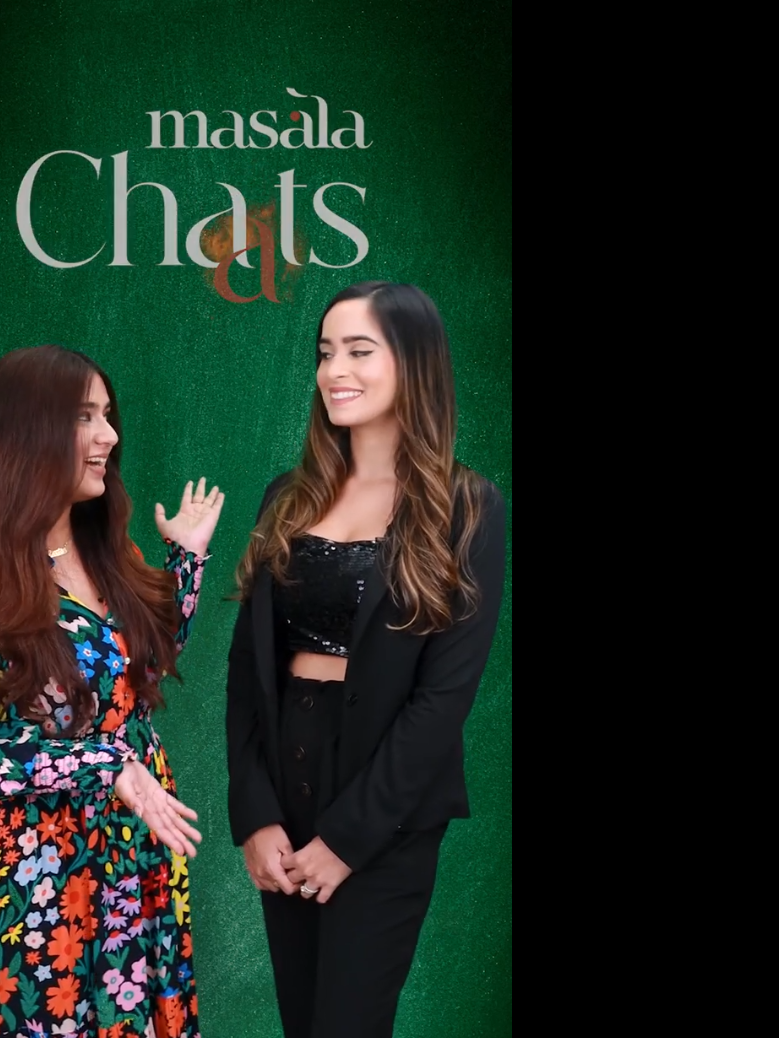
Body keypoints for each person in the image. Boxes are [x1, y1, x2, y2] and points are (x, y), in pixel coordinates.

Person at [0, 344, 225, 1038]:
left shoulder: (109, 553)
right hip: (36, 876)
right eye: (85, 417)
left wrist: (188, 561)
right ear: (27, 432)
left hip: (135, 851)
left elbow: (136, 672)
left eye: (107, 415)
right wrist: (109, 766)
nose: (108, 435)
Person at [223, 282, 507, 1038]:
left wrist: (348, 839)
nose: (334, 371)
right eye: (325, 353)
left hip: (387, 810)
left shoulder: (468, 508)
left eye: (358, 351)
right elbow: (248, 673)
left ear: (413, 364)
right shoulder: (285, 497)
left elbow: (443, 701)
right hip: (284, 791)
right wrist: (254, 813)